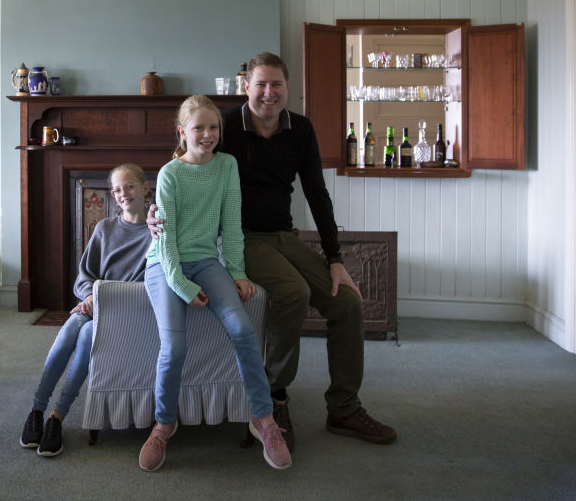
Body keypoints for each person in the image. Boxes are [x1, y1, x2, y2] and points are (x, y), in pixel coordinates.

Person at [150, 53, 397, 452]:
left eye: (276, 85)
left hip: (284, 234)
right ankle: (275, 398)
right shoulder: (225, 124)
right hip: (242, 236)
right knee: (293, 293)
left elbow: (317, 193)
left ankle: (344, 408)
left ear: (287, 88)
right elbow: (187, 160)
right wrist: (154, 211)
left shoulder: (300, 129)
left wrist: (334, 259)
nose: (268, 93)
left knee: (347, 302)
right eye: (260, 84)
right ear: (246, 85)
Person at [138, 95, 291, 473]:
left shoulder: (227, 166)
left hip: (206, 260)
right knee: (174, 346)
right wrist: (182, 286)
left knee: (242, 329)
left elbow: (231, 224)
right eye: (198, 128)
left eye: (213, 128)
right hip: (165, 265)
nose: (207, 135)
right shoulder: (170, 174)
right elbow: (166, 242)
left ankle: (264, 420)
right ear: (182, 132)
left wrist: (237, 271)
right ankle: (163, 424)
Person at [19, 163, 153, 457]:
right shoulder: (105, 229)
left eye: (129, 186)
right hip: (93, 305)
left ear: (145, 188)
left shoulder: (157, 232)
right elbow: (83, 278)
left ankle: (59, 415)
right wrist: (92, 295)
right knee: (69, 331)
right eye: (117, 189)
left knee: (86, 336)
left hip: (122, 312)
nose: (123, 194)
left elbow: (152, 285)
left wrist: (104, 297)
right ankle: (38, 410)